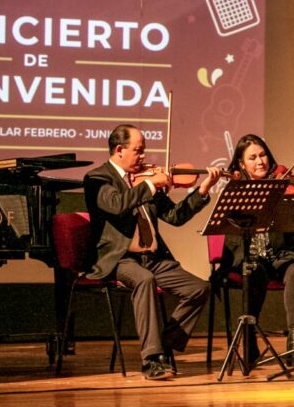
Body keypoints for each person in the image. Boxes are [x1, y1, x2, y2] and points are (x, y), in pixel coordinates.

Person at [84, 124, 220, 381]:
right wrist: (148, 185)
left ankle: (166, 342)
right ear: (119, 150)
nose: (144, 157)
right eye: (138, 151)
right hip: (120, 259)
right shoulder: (97, 178)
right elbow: (116, 205)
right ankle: (152, 359)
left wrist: (202, 190)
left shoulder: (145, 179)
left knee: (199, 289)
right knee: (144, 280)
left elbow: (175, 217)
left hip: (155, 259)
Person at [217, 134, 294, 368]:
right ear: (242, 164)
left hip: (283, 254)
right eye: (252, 158)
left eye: (262, 155)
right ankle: (250, 341)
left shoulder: (283, 182)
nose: (260, 161)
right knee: (254, 272)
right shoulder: (237, 191)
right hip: (250, 255)